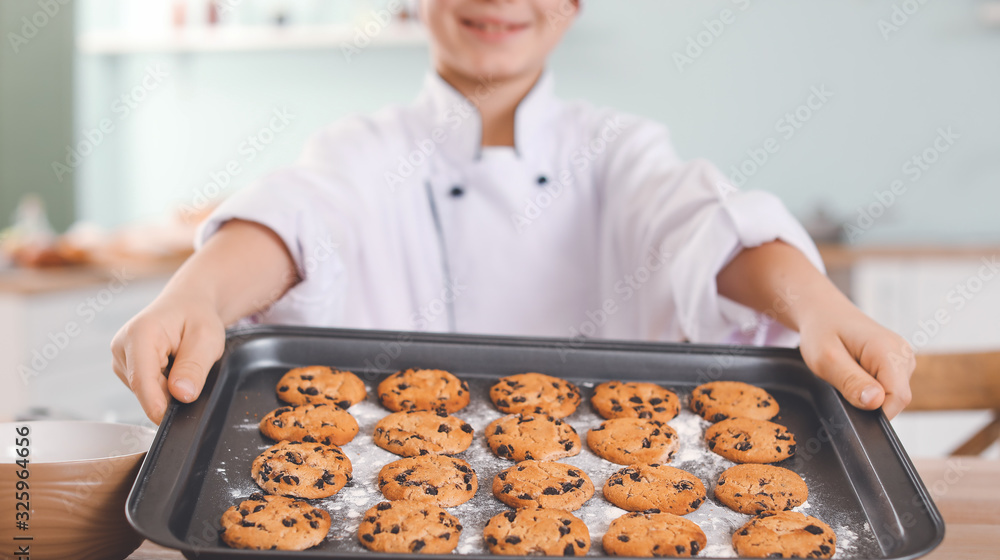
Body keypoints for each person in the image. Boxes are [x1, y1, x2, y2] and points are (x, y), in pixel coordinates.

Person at [112, 0, 914, 425]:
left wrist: (816, 304)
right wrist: (197, 294)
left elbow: (700, 221)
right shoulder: (364, 147)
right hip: (380, 549)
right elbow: (300, 214)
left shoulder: (617, 147)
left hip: (604, 522)